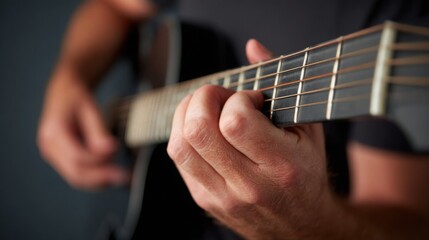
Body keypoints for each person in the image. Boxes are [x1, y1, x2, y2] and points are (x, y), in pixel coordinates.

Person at [37, 0, 429, 239]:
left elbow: (409, 223)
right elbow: (114, 6)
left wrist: (310, 224)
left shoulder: (404, 20)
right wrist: (68, 77)